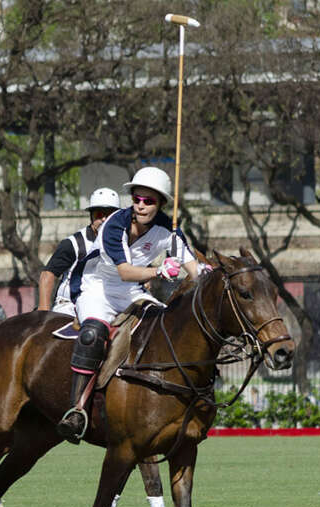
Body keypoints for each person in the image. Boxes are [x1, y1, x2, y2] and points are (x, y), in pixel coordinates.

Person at [56, 166, 200, 443]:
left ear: (160, 203)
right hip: (96, 287)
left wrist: (207, 276)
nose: (141, 206)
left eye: (149, 201)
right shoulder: (114, 224)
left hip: (130, 291)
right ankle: (76, 410)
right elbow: (124, 271)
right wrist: (160, 271)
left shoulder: (167, 229)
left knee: (161, 322)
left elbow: (193, 268)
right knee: (92, 334)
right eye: (137, 199)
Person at [38, 188, 121, 315]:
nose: (104, 220)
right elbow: (47, 275)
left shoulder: (124, 244)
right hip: (70, 307)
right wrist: (43, 312)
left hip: (106, 305)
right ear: (91, 216)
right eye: (99, 214)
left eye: (110, 215)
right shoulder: (73, 243)